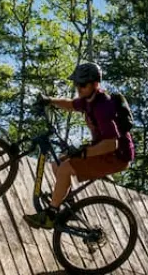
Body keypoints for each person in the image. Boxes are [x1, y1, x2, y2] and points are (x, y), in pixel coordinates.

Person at [23, 62, 135, 229]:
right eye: (76, 84)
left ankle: (51, 215)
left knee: (66, 168)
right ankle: (70, 207)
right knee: (57, 164)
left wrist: (84, 153)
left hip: (116, 156)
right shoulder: (89, 99)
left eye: (82, 85)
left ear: (95, 84)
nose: (78, 88)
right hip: (104, 149)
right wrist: (49, 100)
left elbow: (112, 144)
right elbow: (70, 104)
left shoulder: (102, 107)